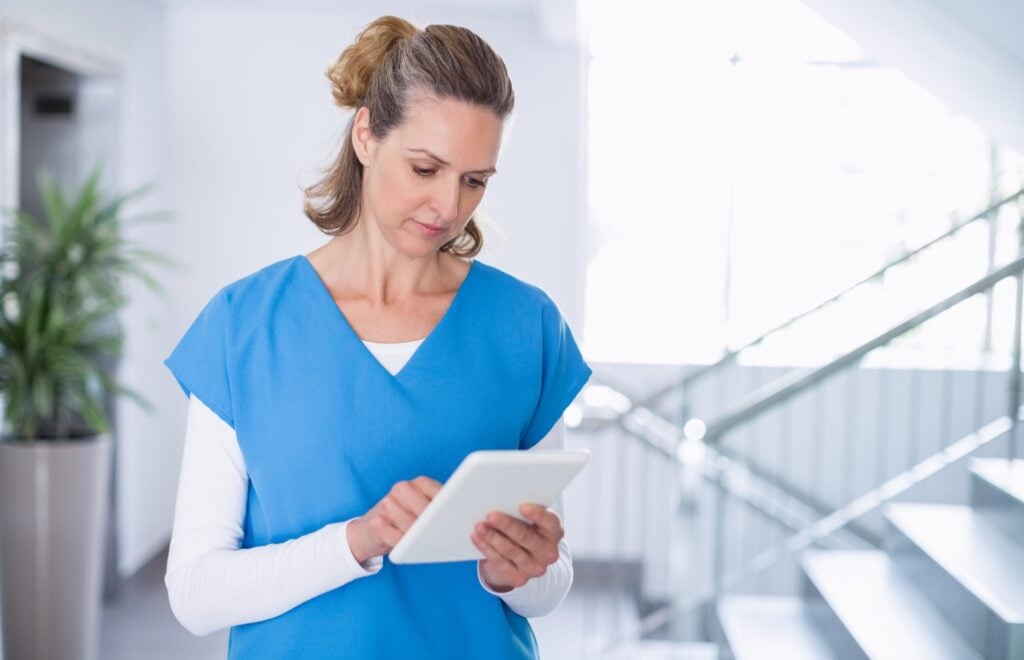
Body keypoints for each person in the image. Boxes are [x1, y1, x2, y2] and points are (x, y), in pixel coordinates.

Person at [162, 15, 592, 660]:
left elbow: (549, 580)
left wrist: (514, 572)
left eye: (475, 180)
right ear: (367, 135)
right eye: (425, 168)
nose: (448, 207)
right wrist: (357, 542)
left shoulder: (526, 328)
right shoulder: (244, 326)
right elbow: (194, 592)